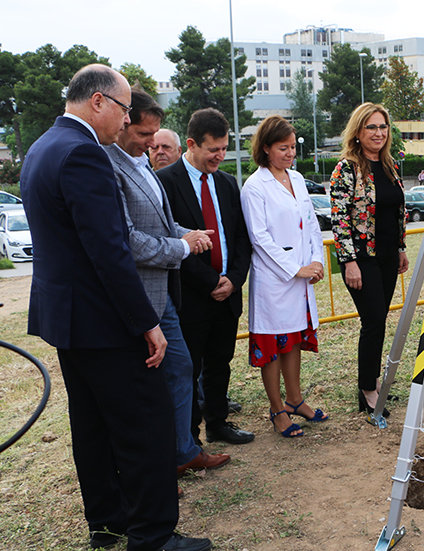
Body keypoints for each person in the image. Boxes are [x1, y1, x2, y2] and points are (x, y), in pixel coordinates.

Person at [20, 64, 210, 551]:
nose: (125, 123)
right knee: (146, 426)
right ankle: (152, 535)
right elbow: (109, 250)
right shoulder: (84, 154)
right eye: (125, 110)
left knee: (93, 426)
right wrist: (146, 322)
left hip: (69, 321)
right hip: (106, 322)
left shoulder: (42, 147)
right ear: (100, 101)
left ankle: (107, 520)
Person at [105, 88, 234, 477]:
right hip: (142, 296)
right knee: (152, 382)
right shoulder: (108, 164)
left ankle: (182, 451)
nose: (152, 144)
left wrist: (187, 235)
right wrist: (183, 245)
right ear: (124, 122)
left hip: (164, 297)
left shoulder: (140, 163)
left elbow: (162, 224)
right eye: (146, 136)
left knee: (181, 368)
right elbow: (128, 239)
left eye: (156, 136)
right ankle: (155, 466)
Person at [158, 108, 254, 445]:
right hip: (191, 296)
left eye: (224, 148)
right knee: (189, 369)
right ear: (192, 144)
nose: (220, 156)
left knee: (220, 363)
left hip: (228, 294)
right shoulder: (166, 183)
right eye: (213, 149)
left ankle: (218, 423)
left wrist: (233, 280)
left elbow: (241, 238)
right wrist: (211, 282)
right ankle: (188, 437)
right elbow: (170, 242)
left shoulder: (227, 184)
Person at [241, 115, 329, 437]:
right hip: (275, 281)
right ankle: (278, 410)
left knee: (293, 340)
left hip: (302, 279)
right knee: (273, 344)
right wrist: (295, 268)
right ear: (265, 149)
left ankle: (295, 400)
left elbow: (311, 224)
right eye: (283, 148)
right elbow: (260, 238)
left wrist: (316, 261)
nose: (290, 153)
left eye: (292, 147)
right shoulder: (255, 186)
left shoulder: (297, 179)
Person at [330, 103, 408, 418]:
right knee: (373, 321)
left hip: (389, 257)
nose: (378, 133)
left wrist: (402, 248)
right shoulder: (346, 168)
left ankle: (372, 380)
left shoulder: (389, 164)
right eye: (371, 127)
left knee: (378, 321)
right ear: (358, 132)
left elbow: (396, 212)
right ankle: (368, 389)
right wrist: (349, 262)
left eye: (382, 127)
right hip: (362, 259)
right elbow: (339, 219)